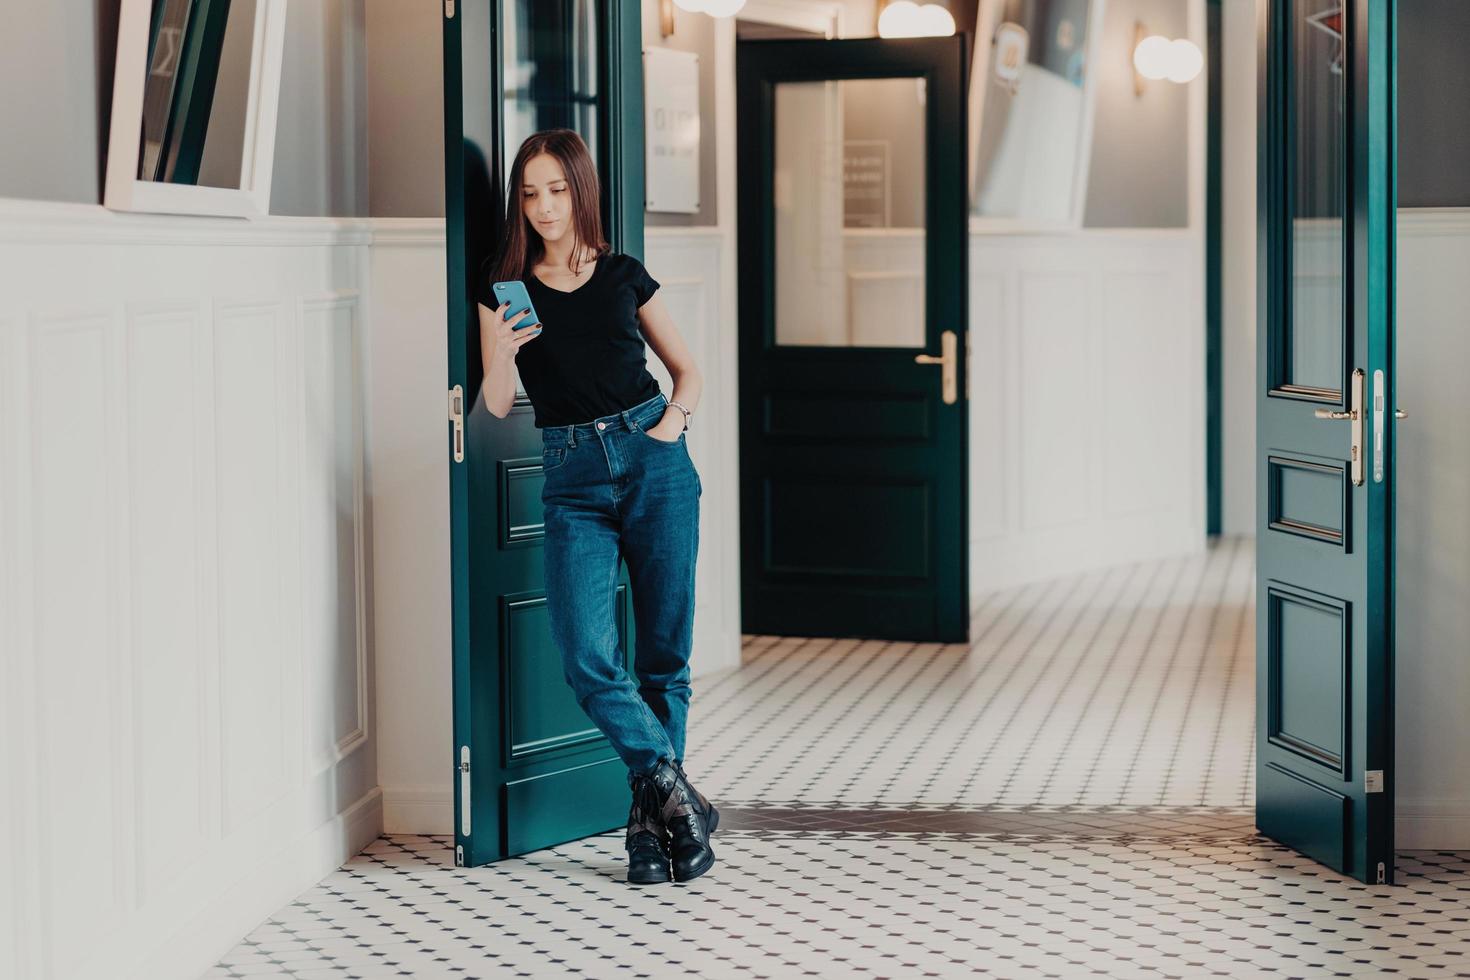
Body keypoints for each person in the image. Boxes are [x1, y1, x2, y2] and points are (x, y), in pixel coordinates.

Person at [476, 129, 719, 885]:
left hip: (653, 457)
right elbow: (491, 402)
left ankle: (650, 832)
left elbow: (688, 372)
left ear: (580, 190)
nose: (544, 208)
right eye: (528, 193)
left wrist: (672, 425)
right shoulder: (504, 287)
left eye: (555, 189)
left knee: (664, 655)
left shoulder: (622, 275)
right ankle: (679, 797)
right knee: (587, 654)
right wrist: (508, 350)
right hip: (572, 472)